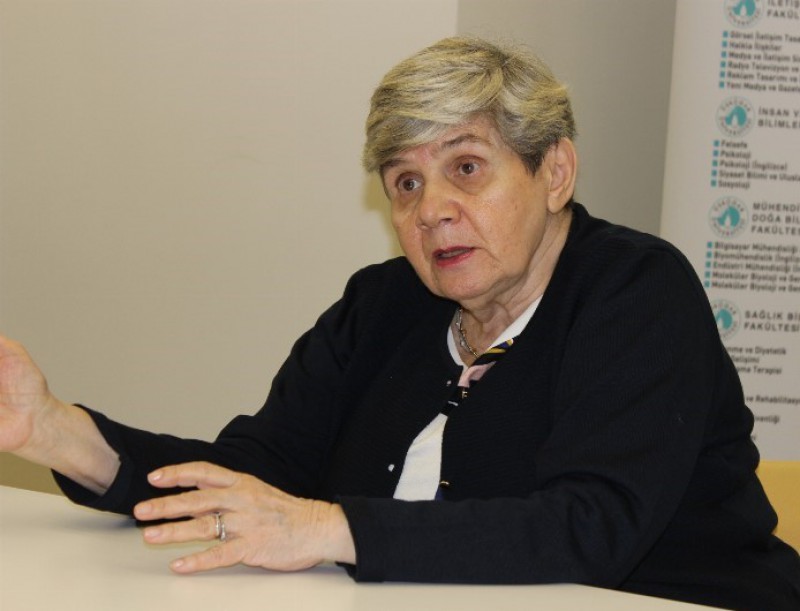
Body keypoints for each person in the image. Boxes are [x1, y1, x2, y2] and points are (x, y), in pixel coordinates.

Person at [1, 36, 798, 611]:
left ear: (554, 171)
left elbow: (591, 526)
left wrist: (328, 527)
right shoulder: (383, 304)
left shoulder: (635, 290)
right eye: (406, 183)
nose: (432, 209)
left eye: (466, 167)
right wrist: (56, 431)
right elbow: (254, 476)